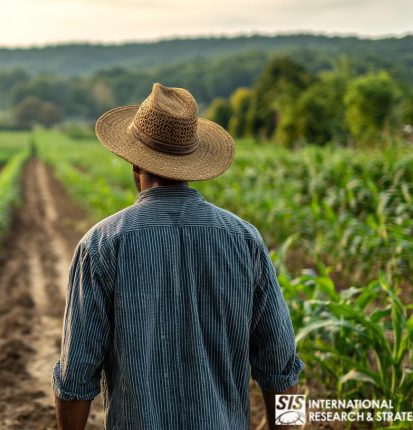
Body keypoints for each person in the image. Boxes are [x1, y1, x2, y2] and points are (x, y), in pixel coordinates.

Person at [52, 83, 303, 429]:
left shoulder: (102, 245)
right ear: (192, 164)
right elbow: (281, 367)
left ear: (135, 165)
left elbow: (75, 378)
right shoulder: (245, 240)